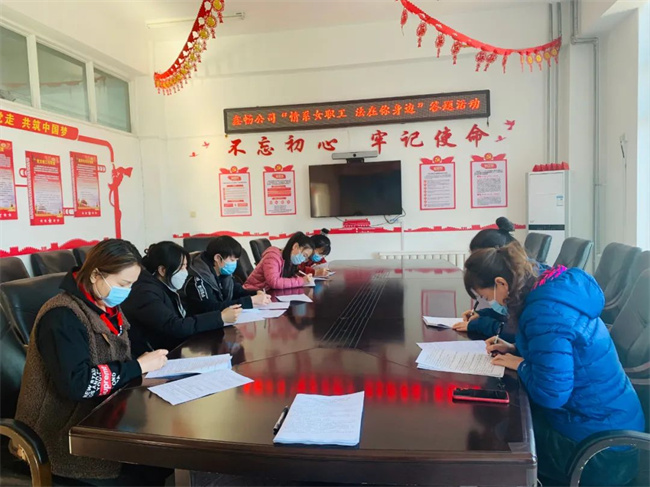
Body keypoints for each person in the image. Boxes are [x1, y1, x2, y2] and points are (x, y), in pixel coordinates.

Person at [463, 242, 644, 486]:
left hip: (602, 452)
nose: (490, 303)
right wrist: (517, 349)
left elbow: (551, 394)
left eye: (487, 297)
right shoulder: (550, 287)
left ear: (501, 284)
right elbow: (562, 351)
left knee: (501, 436)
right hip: (611, 423)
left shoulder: (545, 313)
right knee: (509, 417)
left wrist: (522, 365)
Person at [15, 239, 170, 483]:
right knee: (152, 470)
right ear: (96, 274)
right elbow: (79, 384)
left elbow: (120, 353)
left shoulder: (105, 307)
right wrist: (138, 367)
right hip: (60, 438)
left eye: (132, 284)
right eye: (123, 284)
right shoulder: (62, 316)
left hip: (105, 419)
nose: (127, 291)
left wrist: (144, 364)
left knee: (164, 462)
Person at [122, 241, 242, 357]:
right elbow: (174, 326)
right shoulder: (145, 292)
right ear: (162, 270)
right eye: (181, 267)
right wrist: (220, 317)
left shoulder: (163, 286)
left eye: (185, 266)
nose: (186, 272)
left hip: (172, 348)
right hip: (156, 356)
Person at [452, 217, 548, 340]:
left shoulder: (533, 287)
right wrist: (483, 314)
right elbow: (509, 314)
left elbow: (516, 332)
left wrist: (480, 324)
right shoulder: (521, 276)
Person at [184, 236, 271, 316]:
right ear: (218, 258)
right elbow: (211, 308)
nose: (234, 264)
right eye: (232, 260)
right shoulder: (198, 277)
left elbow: (238, 291)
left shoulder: (223, 272)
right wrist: (250, 301)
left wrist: (256, 293)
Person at [244, 232, 315, 291]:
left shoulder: (289, 260)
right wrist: (301, 281)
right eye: (304, 255)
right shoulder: (272, 256)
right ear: (295, 246)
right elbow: (274, 282)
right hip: (253, 292)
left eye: (306, 258)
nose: (303, 259)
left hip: (268, 292)